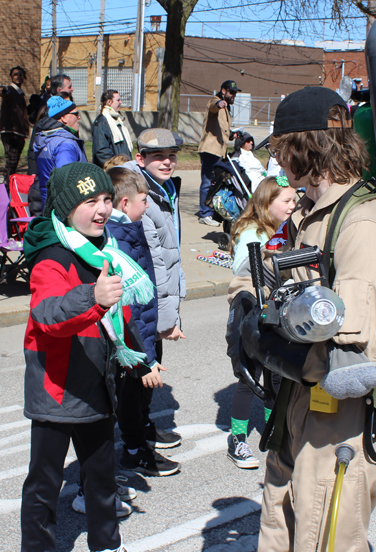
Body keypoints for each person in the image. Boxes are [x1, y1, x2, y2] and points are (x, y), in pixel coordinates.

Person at [227, 87, 376, 551]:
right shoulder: (313, 215)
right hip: (300, 407)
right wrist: (244, 304)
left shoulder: (362, 224)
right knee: (281, 526)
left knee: (322, 538)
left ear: (300, 147)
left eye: (280, 150)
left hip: (340, 420)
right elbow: (278, 281)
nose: (278, 161)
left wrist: (265, 347)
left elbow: (354, 360)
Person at [21, 162, 152, 552]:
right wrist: (91, 298)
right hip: (57, 391)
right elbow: (46, 315)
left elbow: (120, 315)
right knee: (44, 484)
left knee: (101, 478)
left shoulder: (105, 250)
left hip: (98, 384)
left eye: (107, 199)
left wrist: (142, 358)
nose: (102, 209)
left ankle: (107, 544)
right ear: (65, 209)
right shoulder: (53, 256)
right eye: (90, 201)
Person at [106, 166, 182, 475]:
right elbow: (128, 310)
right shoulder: (120, 240)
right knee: (129, 394)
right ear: (125, 204)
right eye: (143, 200)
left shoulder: (129, 230)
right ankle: (134, 452)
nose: (148, 205)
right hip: (132, 343)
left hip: (142, 334)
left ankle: (139, 441)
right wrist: (145, 357)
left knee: (136, 395)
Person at [118, 128, 186, 453]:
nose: (167, 161)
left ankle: (143, 428)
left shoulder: (163, 188)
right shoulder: (140, 194)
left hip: (158, 304)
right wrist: (168, 317)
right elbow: (153, 262)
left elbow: (173, 254)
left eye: (172, 155)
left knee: (149, 372)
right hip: (146, 306)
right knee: (139, 376)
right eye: (158, 156)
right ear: (141, 157)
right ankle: (135, 445)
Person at [227, 176, 295, 468]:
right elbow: (243, 275)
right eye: (287, 201)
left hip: (278, 310)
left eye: (295, 200)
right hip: (252, 312)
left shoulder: (281, 228)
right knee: (250, 377)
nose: (293, 206)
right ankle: (238, 440)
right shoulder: (253, 233)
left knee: (277, 374)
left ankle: (274, 432)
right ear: (268, 204)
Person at [197, 79, 242, 226]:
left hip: (219, 152)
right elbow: (212, 106)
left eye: (235, 94)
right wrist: (219, 104)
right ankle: (204, 214)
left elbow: (222, 130)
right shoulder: (216, 101)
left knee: (220, 180)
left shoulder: (227, 108)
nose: (233, 96)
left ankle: (214, 210)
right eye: (231, 93)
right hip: (210, 150)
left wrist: (232, 135)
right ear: (223, 91)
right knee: (207, 181)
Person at [33, 95, 87, 208]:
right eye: (75, 114)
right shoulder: (65, 144)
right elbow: (67, 180)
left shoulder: (47, 139)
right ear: (63, 118)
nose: (79, 117)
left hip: (49, 204)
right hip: (66, 208)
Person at [0, 66, 30, 185]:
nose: (18, 76)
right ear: (11, 77)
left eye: (20, 74)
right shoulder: (10, 90)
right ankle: (4, 193)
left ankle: (8, 190)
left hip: (19, 133)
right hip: (10, 132)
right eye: (15, 74)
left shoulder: (20, 93)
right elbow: (4, 91)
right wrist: (2, 89)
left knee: (14, 163)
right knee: (11, 162)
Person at [92, 90, 133, 168]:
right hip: (113, 171)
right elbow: (101, 151)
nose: (120, 102)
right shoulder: (102, 122)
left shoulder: (117, 120)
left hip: (123, 167)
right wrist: (115, 167)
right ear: (109, 102)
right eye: (118, 100)